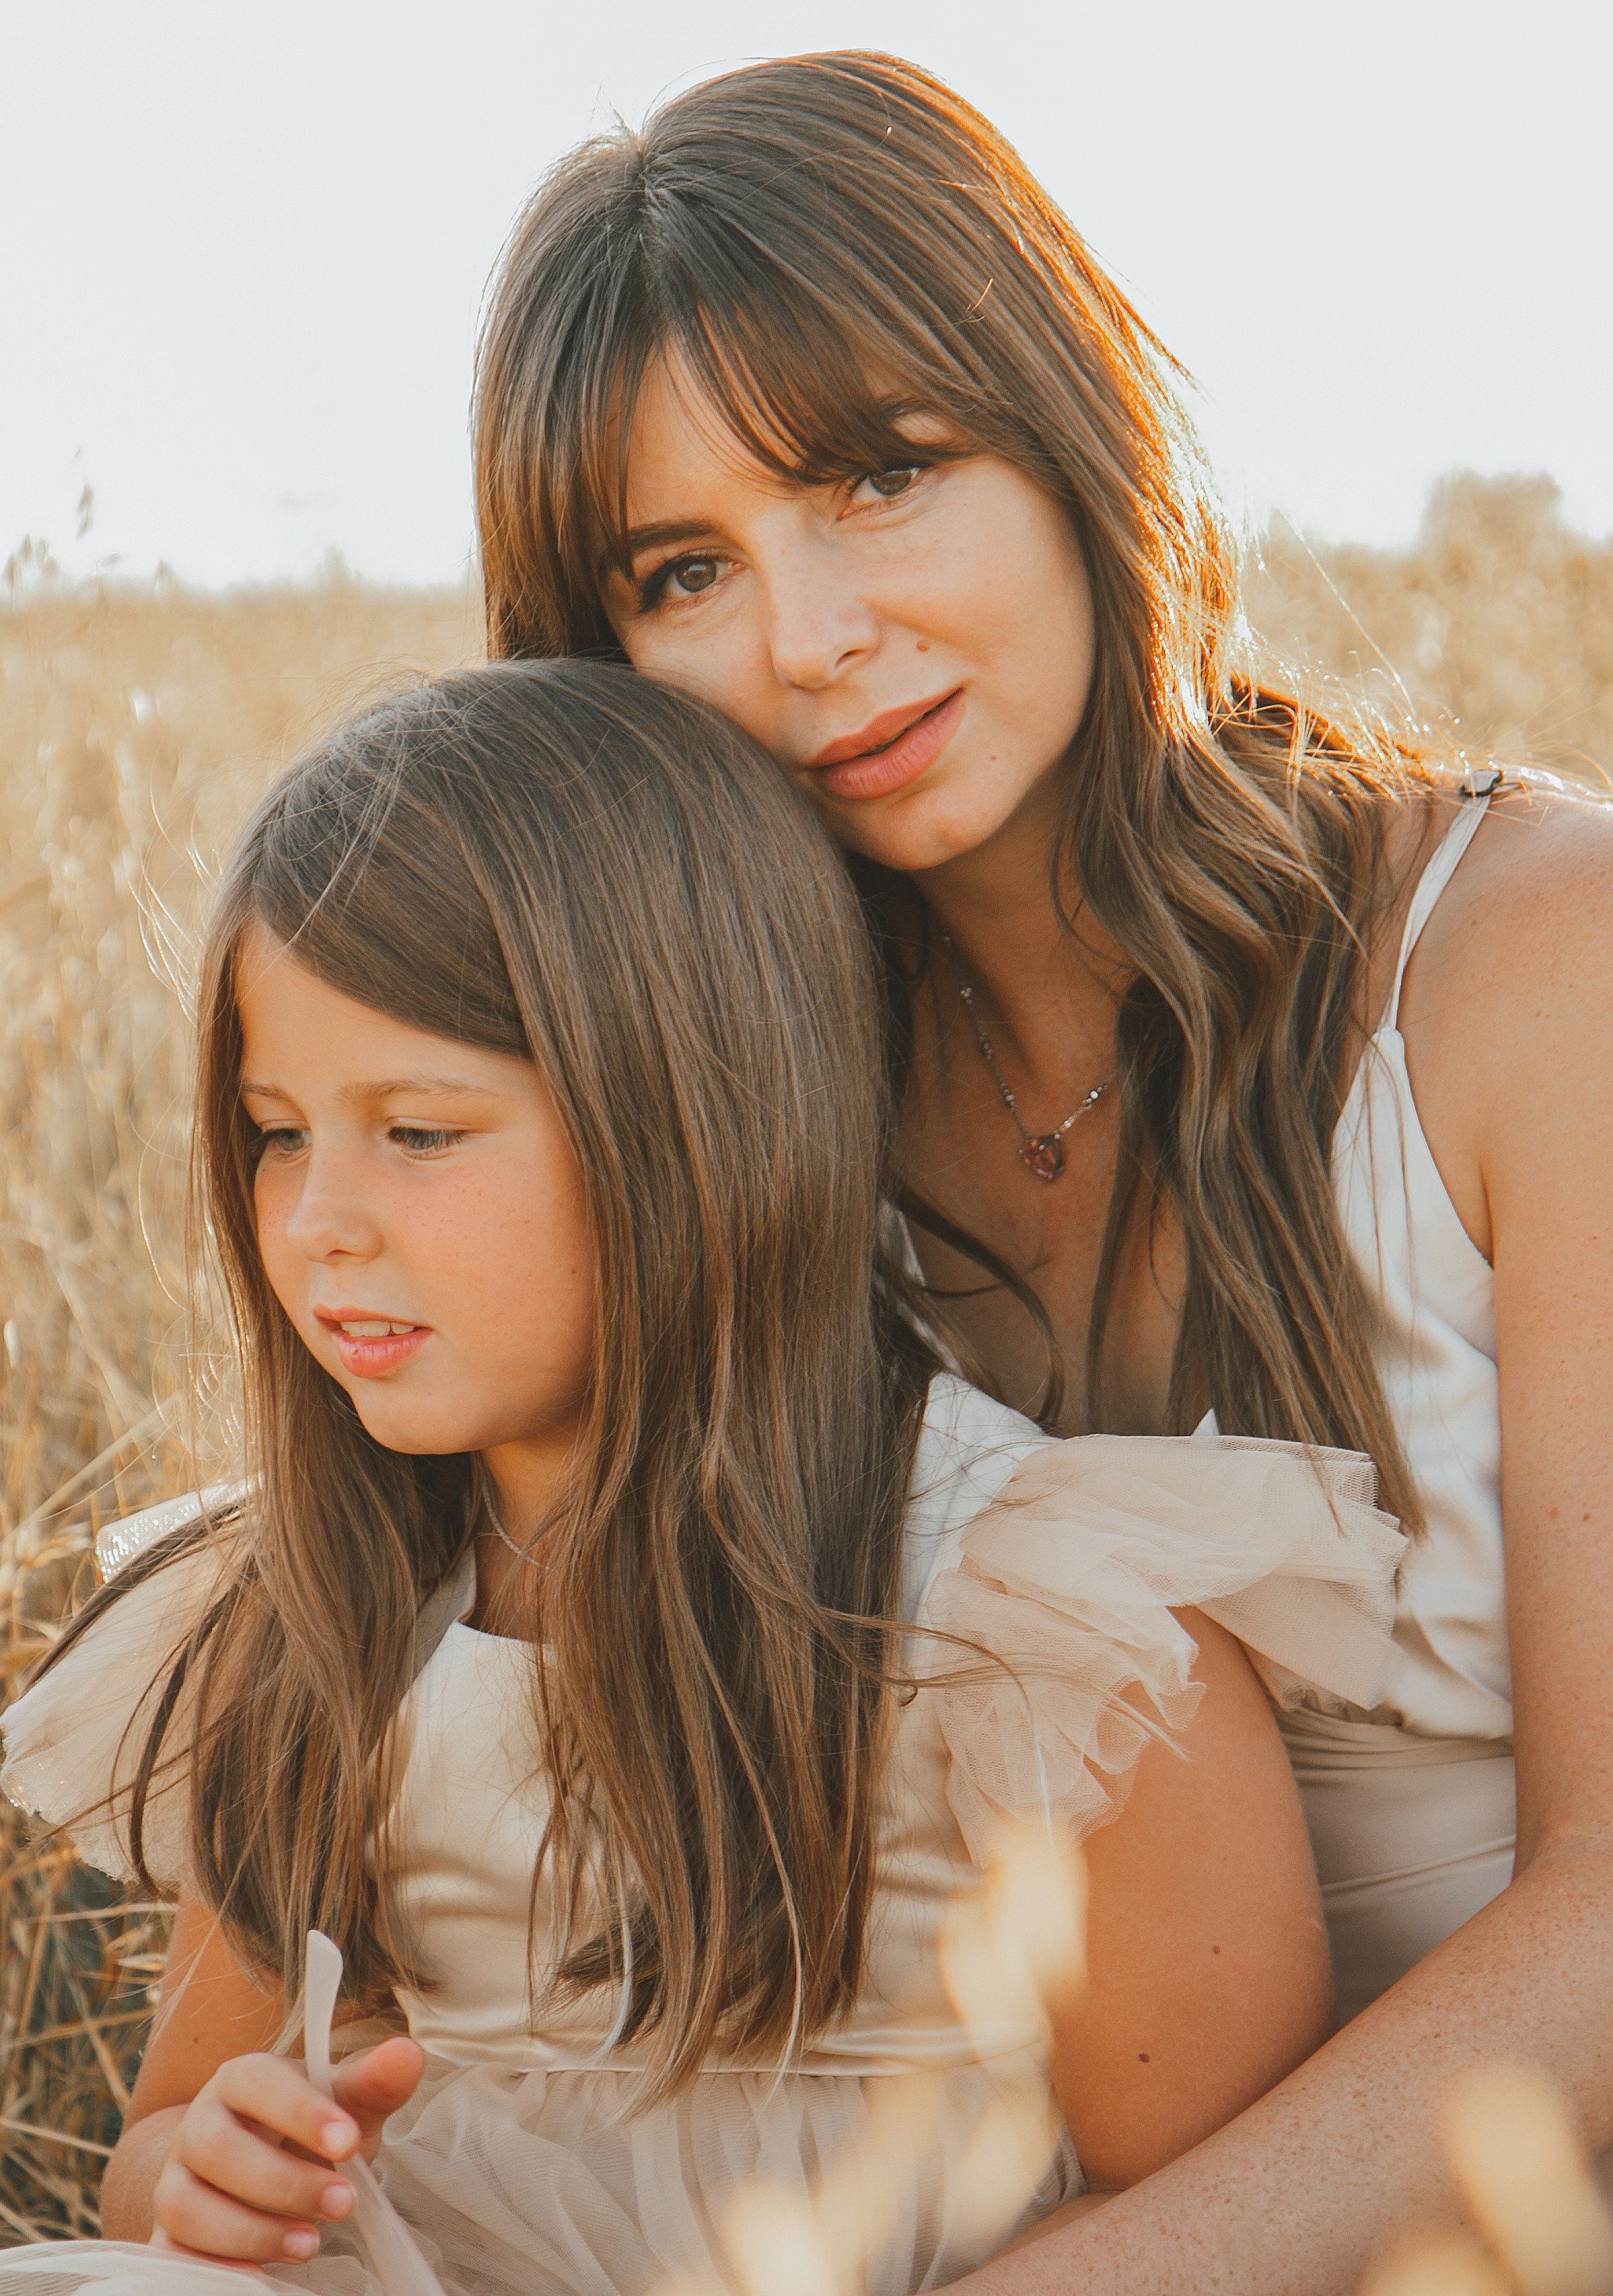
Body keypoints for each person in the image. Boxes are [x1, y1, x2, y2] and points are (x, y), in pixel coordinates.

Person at [467, 47, 1613, 2291]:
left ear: (1073, 425)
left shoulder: (1531, 964)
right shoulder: (705, 1113)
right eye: (682, 567)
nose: (809, 639)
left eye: (881, 475)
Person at [0, 662, 1403, 2295]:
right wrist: (210, 2176)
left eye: (422, 1132)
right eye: (275, 1131)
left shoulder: (1033, 1617)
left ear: (692, 1122)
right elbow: (161, 2142)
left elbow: (1230, 2219)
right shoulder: (309, 1608)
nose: (319, 1219)